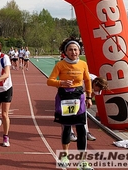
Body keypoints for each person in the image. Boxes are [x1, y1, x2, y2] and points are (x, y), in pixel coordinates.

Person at [47, 37, 92, 167]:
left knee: (81, 129)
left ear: (79, 51)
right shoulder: (60, 64)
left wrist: (89, 97)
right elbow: (49, 81)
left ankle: (82, 161)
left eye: (76, 50)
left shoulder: (83, 64)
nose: (73, 52)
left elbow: (88, 80)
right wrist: (61, 82)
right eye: (70, 50)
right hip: (65, 98)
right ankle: (64, 157)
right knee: (67, 128)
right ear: (66, 52)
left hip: (79, 97)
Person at [70, 74, 109, 142]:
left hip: (81, 93)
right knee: (71, 113)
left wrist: (88, 100)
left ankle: (86, 132)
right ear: (95, 84)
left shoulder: (99, 84)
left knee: (83, 113)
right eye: (98, 89)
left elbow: (94, 93)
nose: (98, 90)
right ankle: (70, 133)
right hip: (71, 91)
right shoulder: (84, 81)